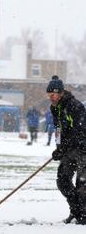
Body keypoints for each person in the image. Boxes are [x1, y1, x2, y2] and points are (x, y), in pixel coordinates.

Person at [47, 76, 86, 225]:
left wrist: (67, 144)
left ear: (62, 93)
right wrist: (58, 148)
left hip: (83, 149)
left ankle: (84, 216)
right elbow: (58, 129)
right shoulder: (54, 107)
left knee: (82, 184)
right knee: (63, 180)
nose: (51, 97)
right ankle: (76, 211)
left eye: (54, 94)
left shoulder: (75, 106)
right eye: (49, 94)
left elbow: (80, 129)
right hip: (68, 150)